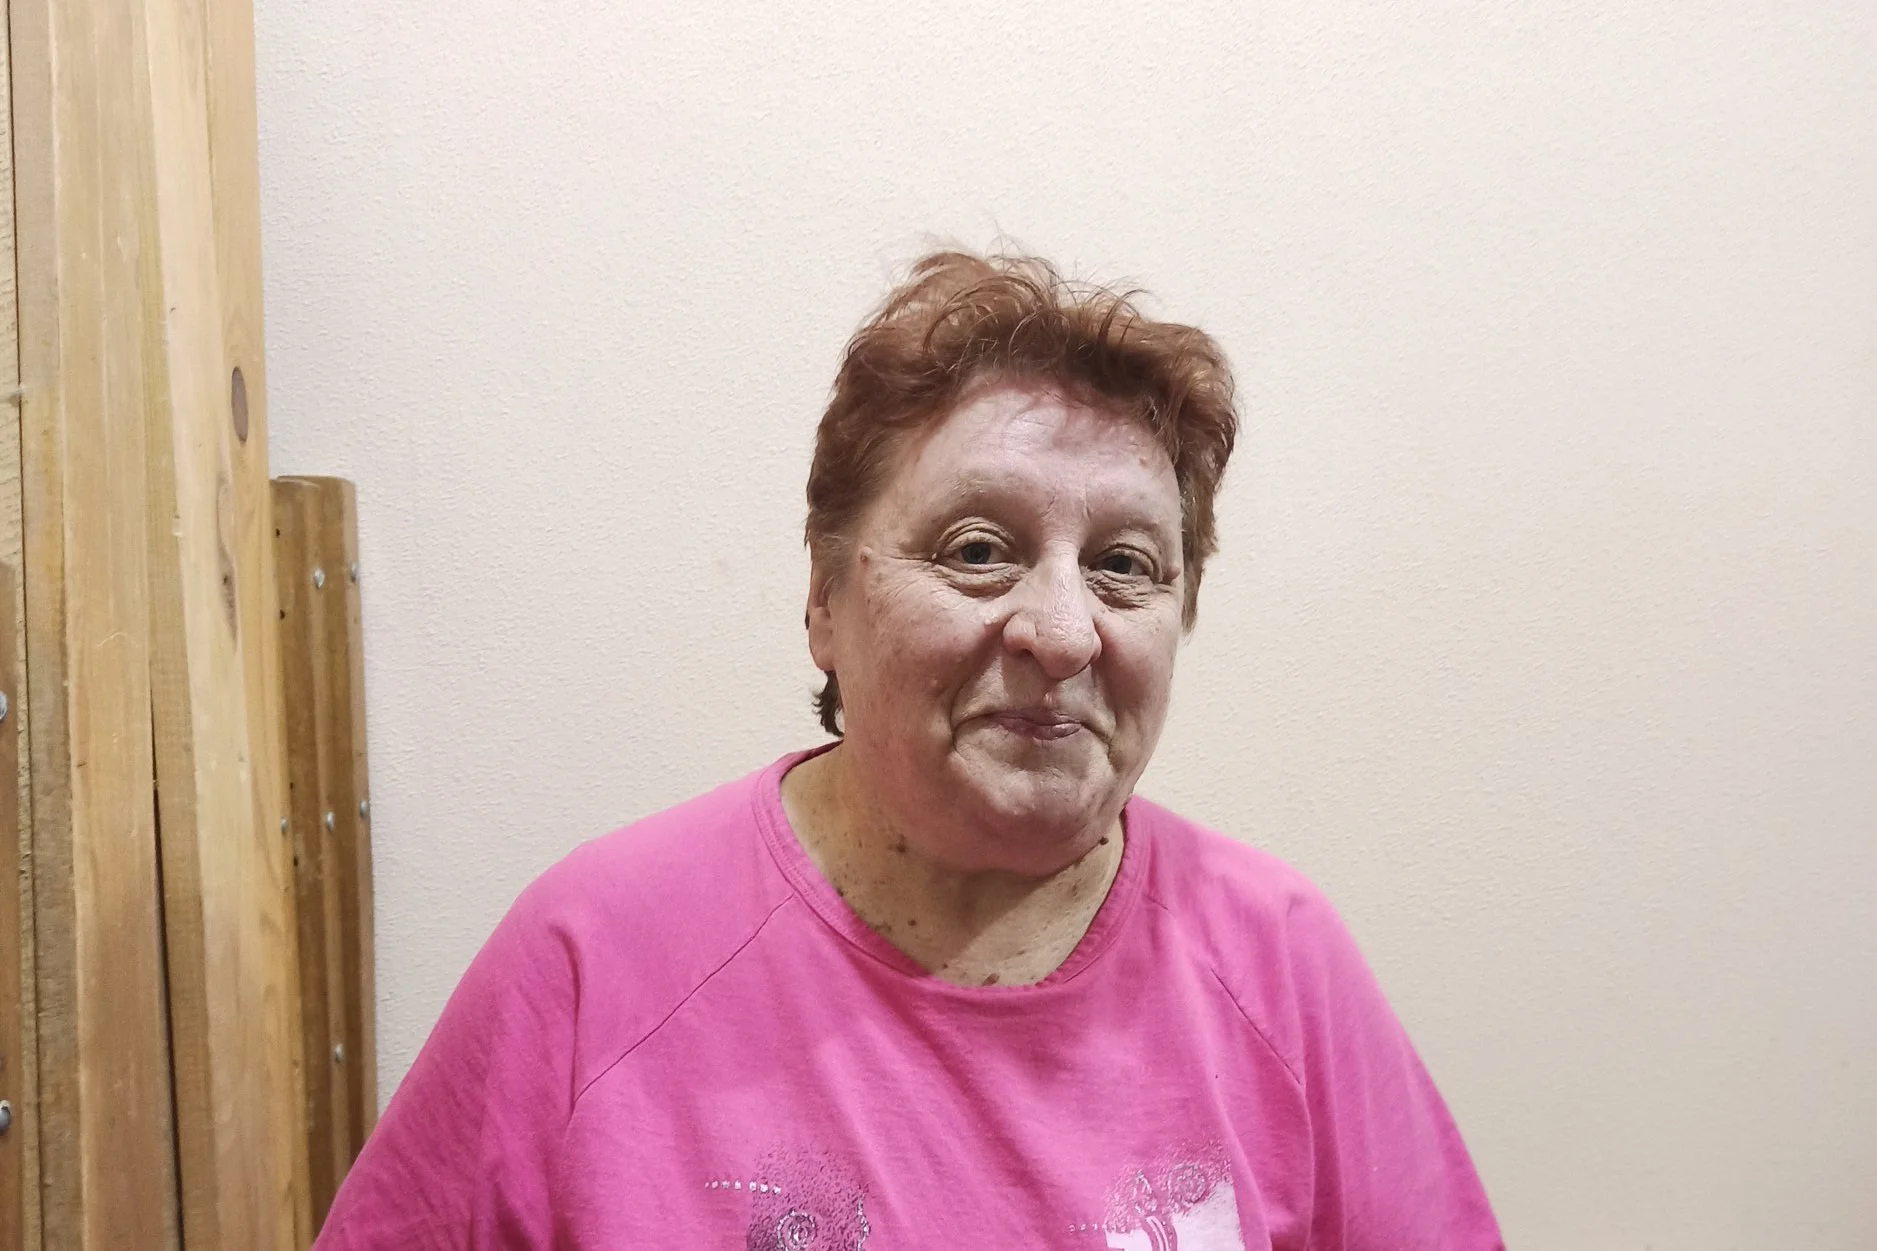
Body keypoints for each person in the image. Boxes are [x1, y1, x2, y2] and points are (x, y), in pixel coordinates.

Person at [316, 250, 1504, 1249]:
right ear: (824, 600)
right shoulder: (593, 963)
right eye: (978, 549)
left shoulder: (1281, 965)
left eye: (1123, 566)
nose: (1061, 632)